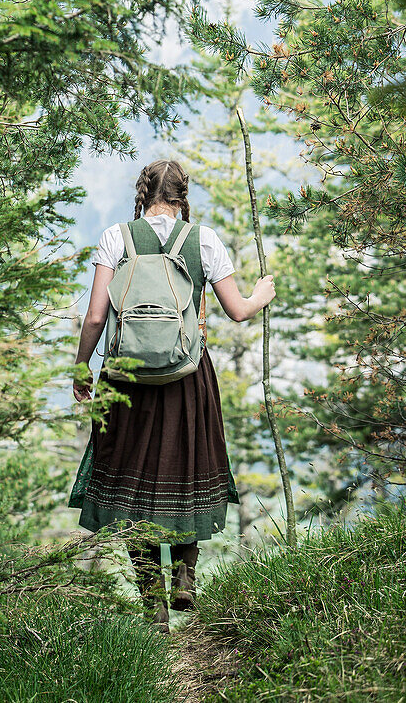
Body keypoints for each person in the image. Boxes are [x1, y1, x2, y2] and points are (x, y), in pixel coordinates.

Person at [68, 159, 276, 633]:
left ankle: (152, 606)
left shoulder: (116, 237)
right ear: (183, 194)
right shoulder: (202, 240)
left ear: (143, 192)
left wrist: (82, 369)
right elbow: (239, 311)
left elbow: (97, 317)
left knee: (133, 481)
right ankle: (185, 572)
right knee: (188, 468)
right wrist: (262, 292)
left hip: (126, 378)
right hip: (186, 375)